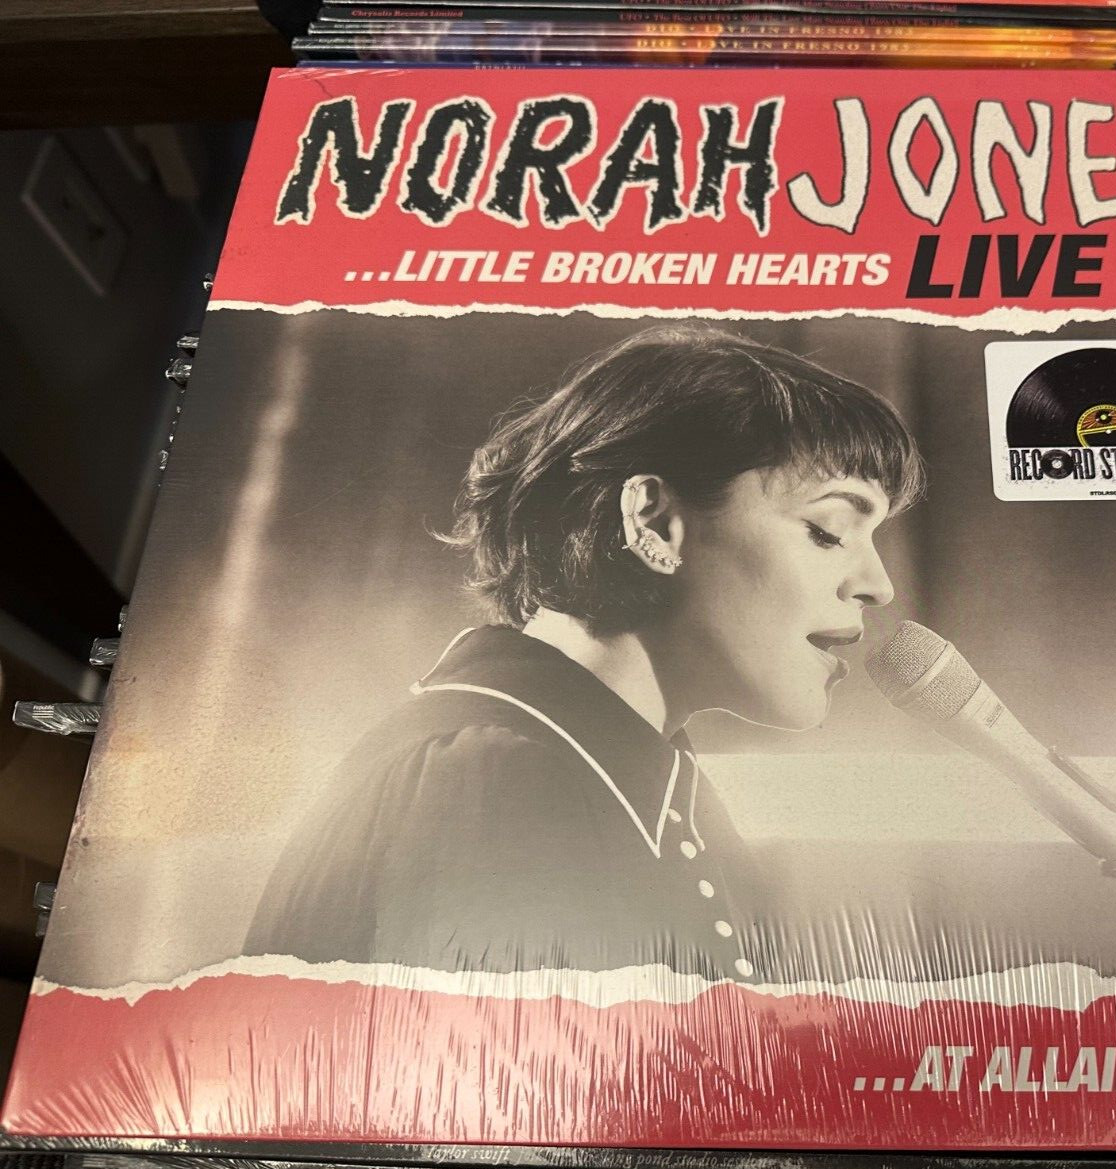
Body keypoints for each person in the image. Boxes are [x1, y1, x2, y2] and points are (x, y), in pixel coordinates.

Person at [243, 325, 923, 982]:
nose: (878, 585)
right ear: (655, 521)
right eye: (829, 530)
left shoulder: (637, 788)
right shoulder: (503, 783)